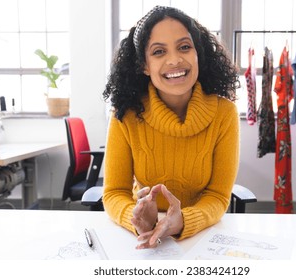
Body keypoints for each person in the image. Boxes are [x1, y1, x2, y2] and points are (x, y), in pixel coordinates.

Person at [102, 6, 240, 249]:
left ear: (198, 53)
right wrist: (135, 219)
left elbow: (218, 196)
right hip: (142, 241)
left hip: (201, 238)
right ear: (144, 65)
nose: (175, 59)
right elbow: (114, 192)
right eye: (158, 51)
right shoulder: (126, 115)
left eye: (184, 47)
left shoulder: (224, 114)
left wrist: (182, 221)